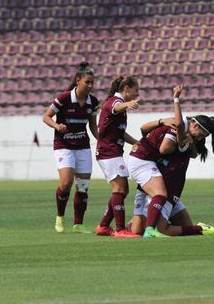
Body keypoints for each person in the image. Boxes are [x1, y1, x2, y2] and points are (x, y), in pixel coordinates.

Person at [128, 84, 214, 238]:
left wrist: (175, 100)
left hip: (170, 189)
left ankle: (200, 229)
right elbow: (150, 131)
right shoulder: (181, 132)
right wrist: (162, 120)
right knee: (140, 229)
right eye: (201, 134)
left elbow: (176, 138)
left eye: (203, 137)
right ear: (194, 124)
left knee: (170, 228)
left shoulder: (185, 139)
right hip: (157, 180)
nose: (200, 138)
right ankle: (139, 228)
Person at [43, 62, 99, 234]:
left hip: (82, 146)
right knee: (66, 182)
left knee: (83, 186)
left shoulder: (93, 101)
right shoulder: (64, 98)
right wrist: (57, 126)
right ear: (78, 80)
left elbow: (92, 126)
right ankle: (60, 217)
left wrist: (101, 141)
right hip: (64, 145)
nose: (90, 86)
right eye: (87, 82)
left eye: (92, 83)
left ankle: (78, 224)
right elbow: (46, 117)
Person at [95, 75, 141, 238]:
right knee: (120, 188)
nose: (137, 94)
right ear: (126, 89)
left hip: (111, 152)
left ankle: (103, 226)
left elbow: (120, 132)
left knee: (122, 189)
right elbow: (116, 107)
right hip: (108, 153)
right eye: (136, 90)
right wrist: (127, 104)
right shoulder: (114, 102)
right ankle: (120, 229)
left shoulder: (119, 106)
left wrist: (136, 142)